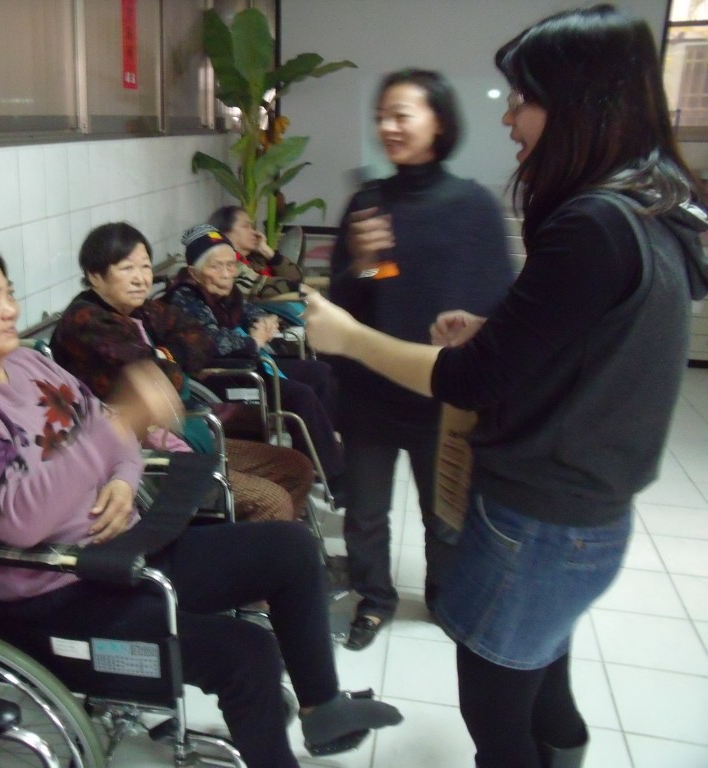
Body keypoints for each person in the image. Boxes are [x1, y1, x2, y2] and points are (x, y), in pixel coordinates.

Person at [302, 6, 708, 767]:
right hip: (572, 505)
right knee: (540, 678)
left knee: (496, 705)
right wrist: (381, 280)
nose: (510, 117)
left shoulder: (588, 221)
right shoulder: (646, 208)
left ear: (579, 102)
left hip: (541, 512)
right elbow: (572, 334)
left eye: (522, 98)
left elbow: (476, 375)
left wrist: (348, 337)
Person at [0, 240, 403, 768]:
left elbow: (112, 433)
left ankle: (324, 708)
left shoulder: (28, 365)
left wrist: (122, 479)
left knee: (291, 548)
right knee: (246, 652)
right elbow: (21, 520)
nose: (11, 310)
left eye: (9, 293)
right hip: (59, 588)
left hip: (122, 551)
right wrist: (118, 429)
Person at [327, 68, 514, 651]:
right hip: (369, 394)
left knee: (445, 515)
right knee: (364, 514)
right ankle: (374, 598)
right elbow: (349, 303)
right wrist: (365, 263)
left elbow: (499, 303)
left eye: (402, 115)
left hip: (443, 396)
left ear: (439, 123)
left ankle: (443, 595)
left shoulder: (473, 206)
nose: (388, 127)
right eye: (381, 116)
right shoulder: (368, 203)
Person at [51, 221, 315, 523]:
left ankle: (259, 540)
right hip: (142, 456)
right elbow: (167, 379)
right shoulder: (86, 322)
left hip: (180, 432)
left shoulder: (141, 310)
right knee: (271, 501)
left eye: (145, 267)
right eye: (127, 269)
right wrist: (168, 362)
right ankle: (237, 546)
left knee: (297, 468)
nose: (140, 279)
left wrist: (162, 356)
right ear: (95, 276)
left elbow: (199, 337)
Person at [165, 223, 346, 496]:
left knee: (320, 372)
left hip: (247, 362)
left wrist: (266, 322)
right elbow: (207, 343)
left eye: (231, 265)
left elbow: (251, 313)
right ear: (193, 272)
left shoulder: (226, 292)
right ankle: (334, 476)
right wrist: (252, 341)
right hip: (218, 375)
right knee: (302, 396)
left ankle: (324, 453)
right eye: (216, 267)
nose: (227, 274)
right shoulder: (184, 298)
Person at [208, 205, 304, 299]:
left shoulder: (256, 258)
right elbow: (259, 287)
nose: (254, 232)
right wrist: (299, 288)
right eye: (245, 226)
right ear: (225, 233)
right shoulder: (225, 264)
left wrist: (267, 252)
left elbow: (296, 277)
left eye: (252, 227)